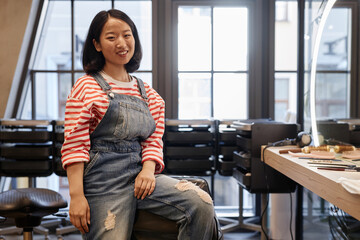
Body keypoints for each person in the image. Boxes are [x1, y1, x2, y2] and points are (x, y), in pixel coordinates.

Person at [61, 9, 220, 240]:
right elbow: (75, 145)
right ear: (97, 44)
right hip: (103, 184)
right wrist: (76, 196)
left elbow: (153, 141)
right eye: (111, 37)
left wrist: (147, 171)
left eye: (127, 35)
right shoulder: (85, 87)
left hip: (141, 178)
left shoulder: (150, 96)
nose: (122, 43)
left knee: (201, 204)